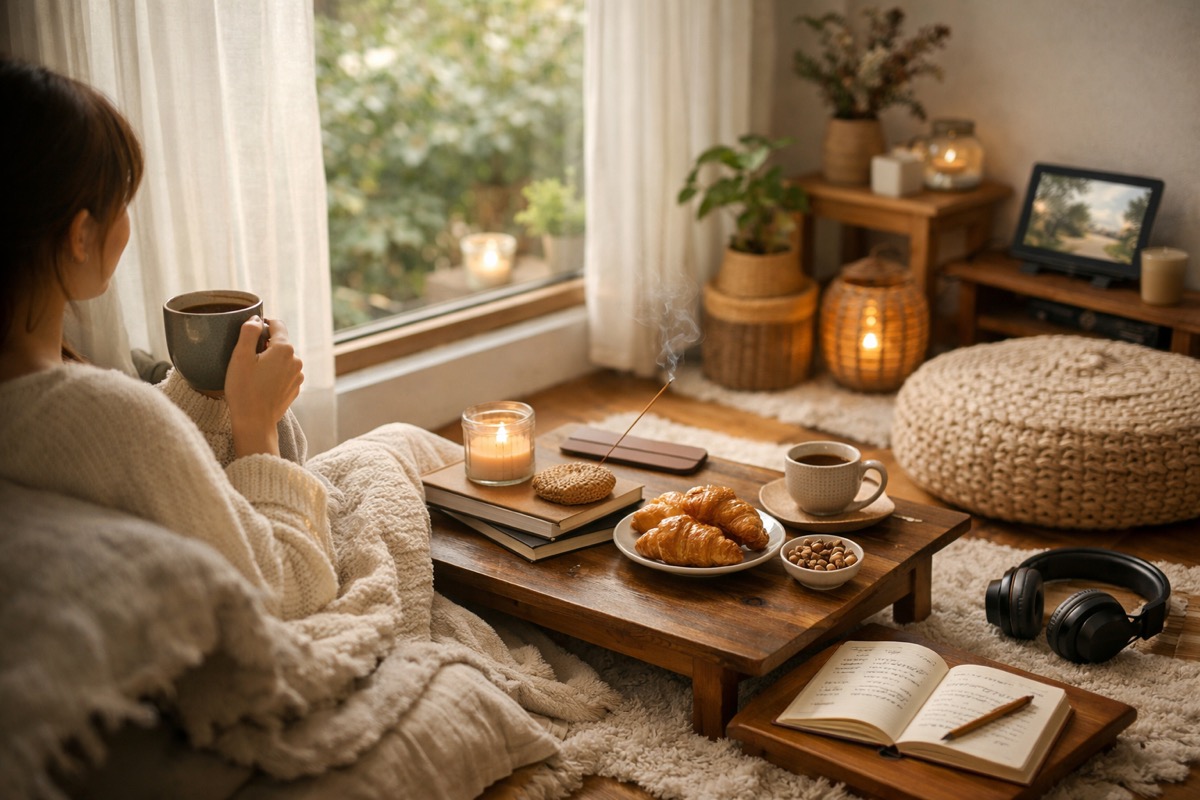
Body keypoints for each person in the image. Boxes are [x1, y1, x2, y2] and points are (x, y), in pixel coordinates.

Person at [0, 56, 341, 619]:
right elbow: (294, 588)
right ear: (82, 235)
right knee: (399, 450)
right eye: (123, 202)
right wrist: (255, 423)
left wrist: (206, 394)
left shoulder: (48, 408)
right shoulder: (108, 416)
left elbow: (146, 476)